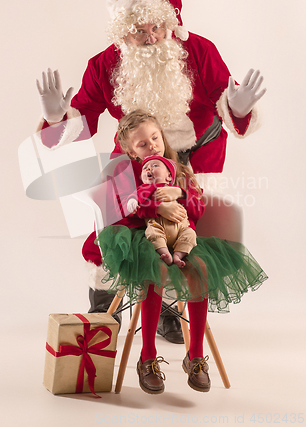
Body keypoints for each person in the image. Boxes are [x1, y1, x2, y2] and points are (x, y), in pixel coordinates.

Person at [36, 0, 267, 343]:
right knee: (114, 226)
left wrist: (236, 109)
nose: (150, 37)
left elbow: (226, 94)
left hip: (197, 158)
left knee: (184, 230)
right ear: (121, 33)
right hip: (134, 158)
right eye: (138, 31)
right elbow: (83, 119)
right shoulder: (104, 65)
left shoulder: (199, 51)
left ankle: (170, 311)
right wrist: (55, 119)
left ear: (169, 22)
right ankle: (104, 302)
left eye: (157, 26)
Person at [96, 110, 267, 394]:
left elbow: (197, 212)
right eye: (142, 144)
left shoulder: (180, 169)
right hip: (139, 237)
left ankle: (195, 355)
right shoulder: (124, 171)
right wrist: (157, 207)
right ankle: (147, 356)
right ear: (129, 150)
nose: (152, 146)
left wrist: (182, 196)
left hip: (180, 236)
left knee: (199, 268)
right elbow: (121, 210)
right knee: (157, 269)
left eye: (155, 138)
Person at [127, 155, 197, 268]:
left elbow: (195, 207)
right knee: (152, 233)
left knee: (191, 234)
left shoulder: (174, 189)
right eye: (145, 168)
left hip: (181, 228)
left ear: (169, 176)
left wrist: (181, 193)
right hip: (157, 225)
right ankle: (165, 252)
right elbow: (135, 196)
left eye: (155, 166)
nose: (148, 169)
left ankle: (178, 255)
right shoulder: (145, 188)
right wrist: (132, 202)